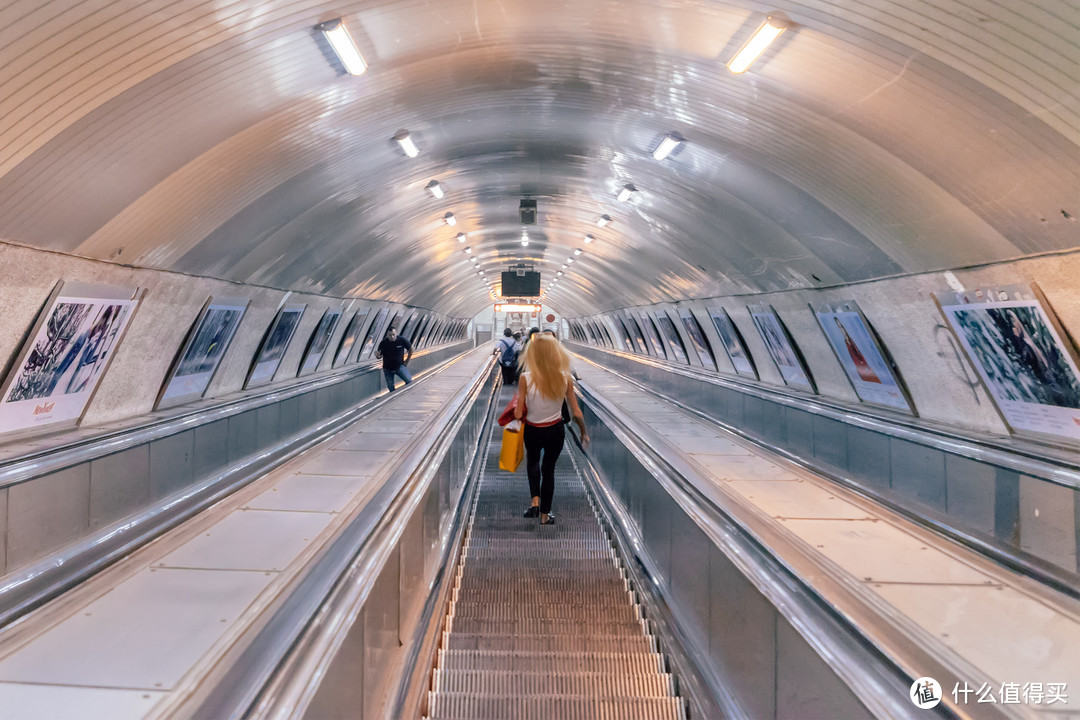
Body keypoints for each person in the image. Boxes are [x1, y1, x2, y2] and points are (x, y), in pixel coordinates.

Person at [514, 334, 589, 525]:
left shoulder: (525, 378)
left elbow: (517, 413)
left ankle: (534, 503)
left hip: (533, 429)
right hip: (555, 431)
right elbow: (576, 413)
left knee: (533, 463)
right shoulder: (565, 379)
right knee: (549, 469)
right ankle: (545, 516)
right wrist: (583, 432)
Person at [376, 326, 413, 392]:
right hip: (387, 368)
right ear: (387, 335)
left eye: (393, 334)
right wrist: (377, 355)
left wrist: (407, 361)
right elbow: (379, 356)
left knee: (409, 380)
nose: (392, 337)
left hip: (399, 366)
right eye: (390, 335)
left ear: (396, 333)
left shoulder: (401, 340)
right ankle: (394, 399)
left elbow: (411, 349)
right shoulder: (383, 343)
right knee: (390, 387)